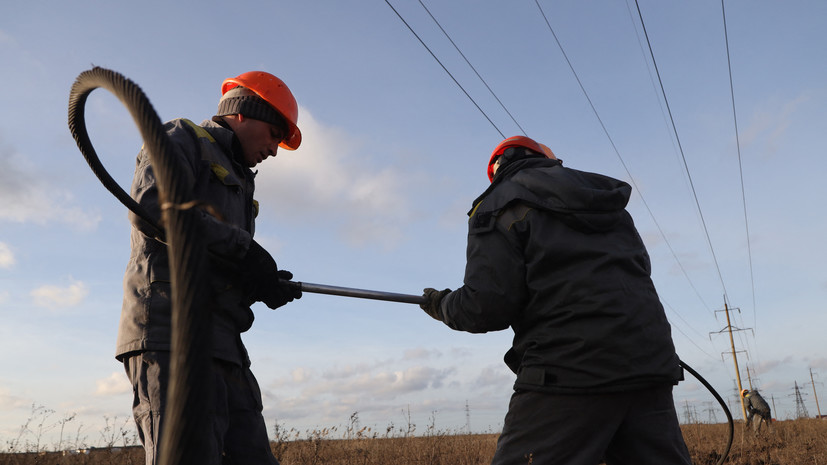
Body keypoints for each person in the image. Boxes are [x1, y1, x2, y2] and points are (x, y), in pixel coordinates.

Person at [421, 136, 692, 465]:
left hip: (567, 370)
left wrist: (441, 305)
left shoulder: (499, 202)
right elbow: (638, 271)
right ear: (549, 159)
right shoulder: (607, 201)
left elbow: (485, 307)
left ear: (497, 168)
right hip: (650, 366)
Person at [116, 71, 303, 465]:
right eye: (273, 133)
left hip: (224, 342)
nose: (274, 149)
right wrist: (245, 249)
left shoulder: (240, 179)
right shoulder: (181, 138)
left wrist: (260, 284)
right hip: (173, 335)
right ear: (242, 114)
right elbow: (153, 208)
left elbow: (215, 257)